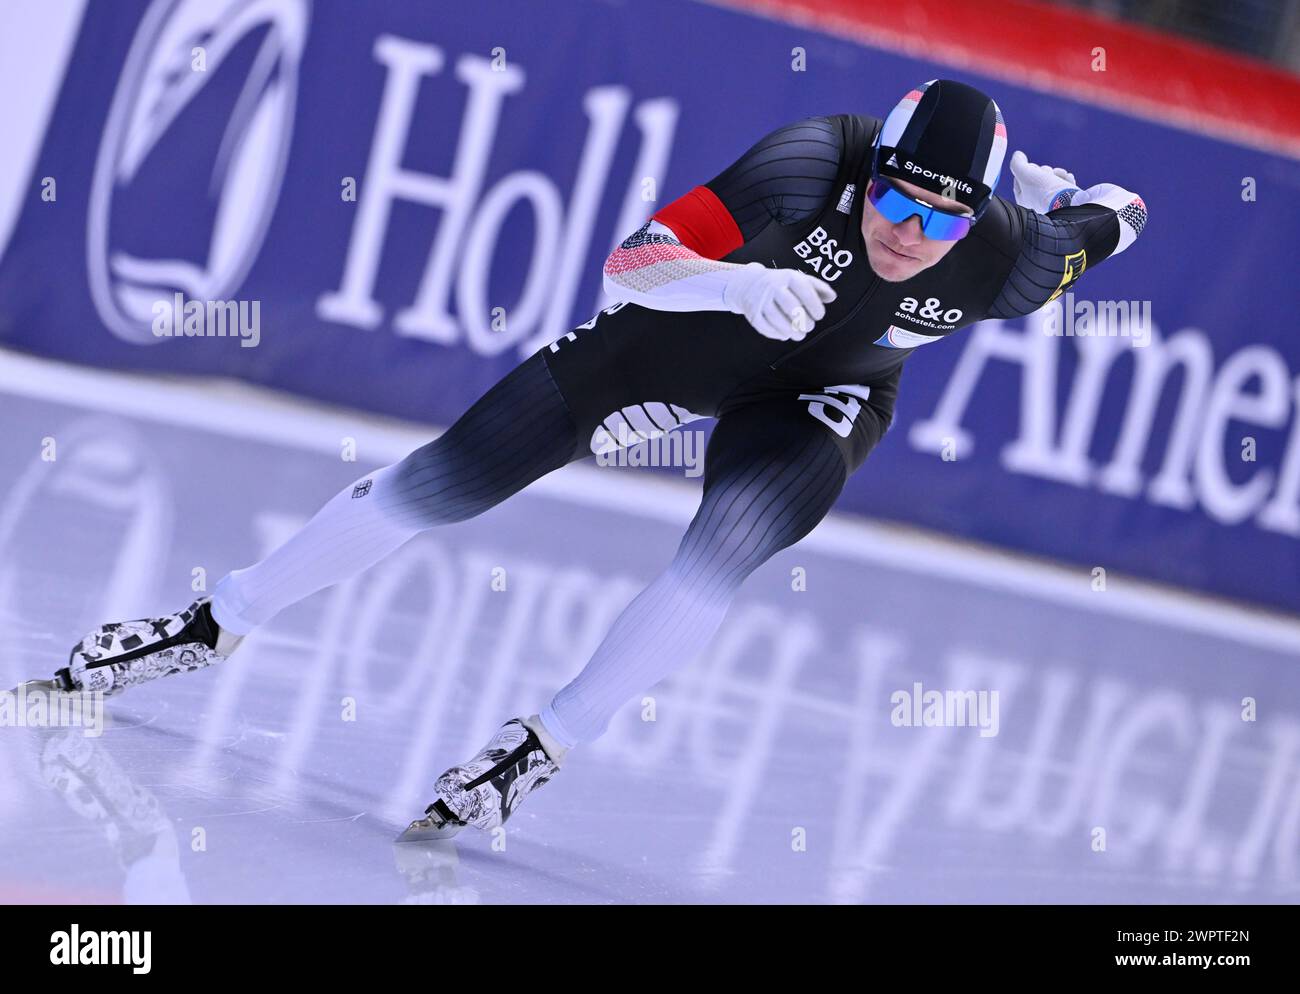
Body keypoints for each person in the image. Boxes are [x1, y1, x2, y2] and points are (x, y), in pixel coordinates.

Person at [39, 79, 1147, 840]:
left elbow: (1121, 212)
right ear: (874, 173)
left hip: (819, 395)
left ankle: (543, 746)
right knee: (445, 478)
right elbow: (629, 262)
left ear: (977, 225)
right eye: (897, 197)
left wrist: (1046, 191)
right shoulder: (813, 161)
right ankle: (216, 620)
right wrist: (737, 284)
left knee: (724, 551)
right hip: (676, 331)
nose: (908, 232)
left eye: (940, 222)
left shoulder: (1008, 258)